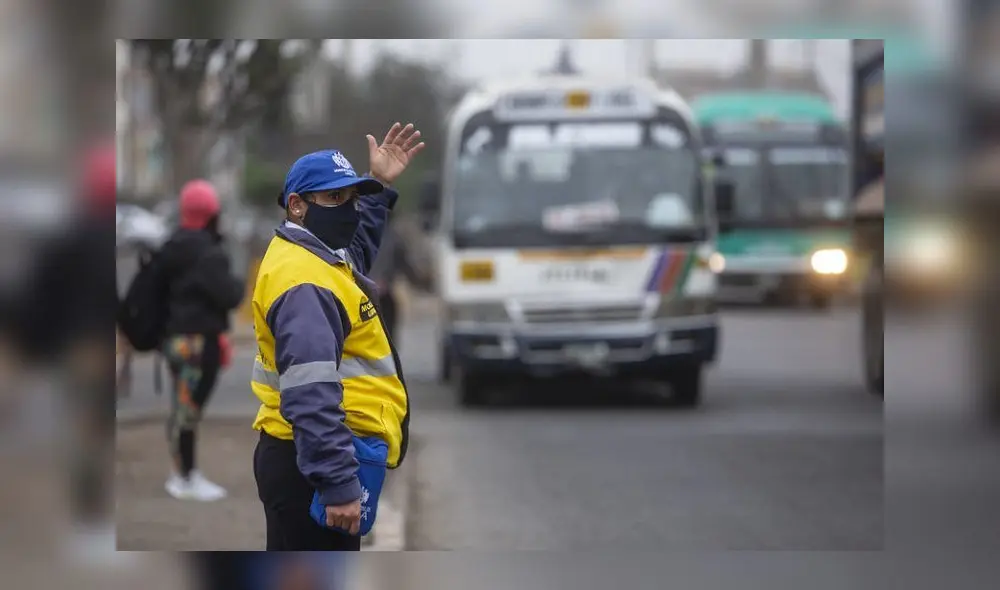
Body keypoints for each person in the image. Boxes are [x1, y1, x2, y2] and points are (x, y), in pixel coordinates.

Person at [252, 122, 424, 551]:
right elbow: (310, 392)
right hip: (310, 468)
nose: (347, 209)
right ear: (296, 206)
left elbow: (358, 247)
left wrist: (380, 185)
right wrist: (338, 484)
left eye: (351, 197)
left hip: (308, 458)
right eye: (333, 198)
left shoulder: (316, 256)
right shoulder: (305, 282)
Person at [159, 179, 245, 501]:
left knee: (182, 407)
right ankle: (185, 477)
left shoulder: (171, 246)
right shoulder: (208, 253)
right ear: (212, 214)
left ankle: (181, 471)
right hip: (199, 343)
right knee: (188, 411)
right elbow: (230, 294)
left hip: (175, 341)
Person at [367, 218, 433, 341]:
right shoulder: (392, 238)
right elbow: (406, 267)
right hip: (377, 295)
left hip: (366, 295)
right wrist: (425, 284)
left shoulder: (357, 233)